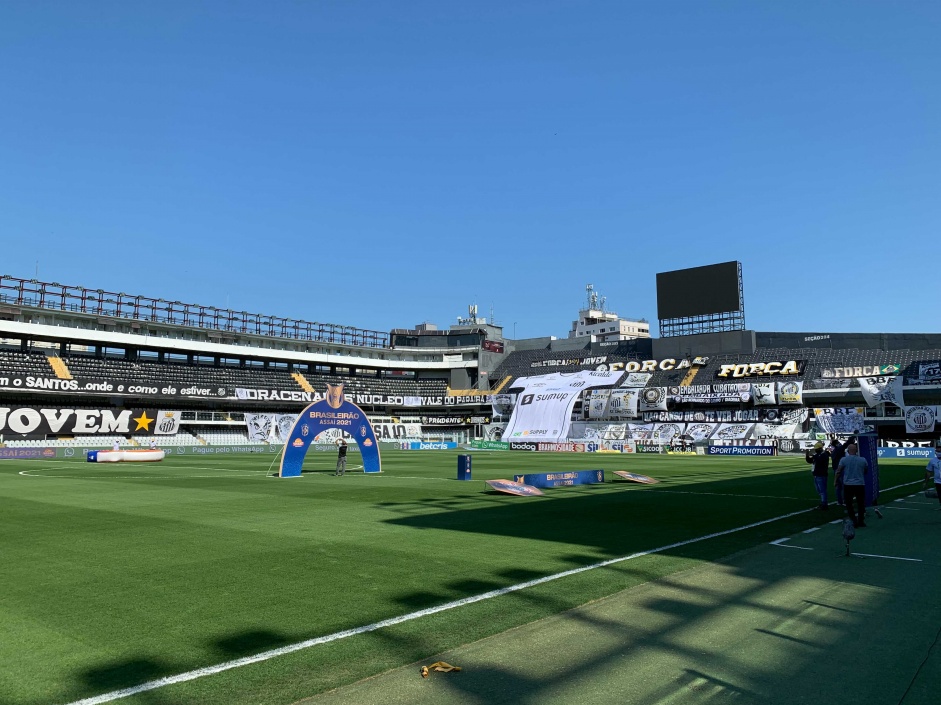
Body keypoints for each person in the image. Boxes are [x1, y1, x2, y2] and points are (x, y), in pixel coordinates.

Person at [837, 443, 869, 527]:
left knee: (849, 503)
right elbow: (866, 471)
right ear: (856, 450)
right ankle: (861, 521)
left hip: (848, 484)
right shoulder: (863, 460)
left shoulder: (844, 460)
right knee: (861, 503)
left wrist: (835, 480)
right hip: (859, 484)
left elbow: (838, 471)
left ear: (848, 451)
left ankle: (854, 520)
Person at [805, 441, 831, 510]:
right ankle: (823, 502)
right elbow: (810, 461)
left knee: (822, 490)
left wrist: (813, 456)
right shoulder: (819, 455)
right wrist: (807, 455)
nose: (815, 449)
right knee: (819, 490)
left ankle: (824, 504)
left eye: (816, 448)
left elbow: (818, 460)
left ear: (820, 448)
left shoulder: (823, 455)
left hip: (821, 474)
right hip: (817, 474)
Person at [829, 436, 853, 506]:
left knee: (838, 486)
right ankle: (845, 501)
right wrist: (851, 438)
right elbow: (845, 445)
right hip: (841, 469)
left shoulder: (833, 451)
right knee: (844, 486)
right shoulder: (838, 450)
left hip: (835, 469)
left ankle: (839, 501)